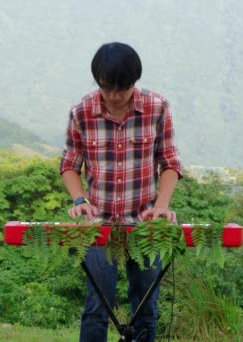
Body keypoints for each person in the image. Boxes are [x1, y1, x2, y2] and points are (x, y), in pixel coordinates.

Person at [59, 42, 182, 342]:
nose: (114, 96)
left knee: (145, 307)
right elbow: (70, 164)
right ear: (98, 81)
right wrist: (79, 200)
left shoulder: (157, 108)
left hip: (145, 224)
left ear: (134, 81)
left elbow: (170, 162)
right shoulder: (82, 112)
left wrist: (162, 206)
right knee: (97, 306)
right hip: (99, 226)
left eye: (122, 88)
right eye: (106, 87)